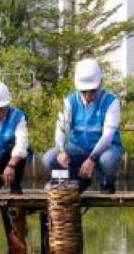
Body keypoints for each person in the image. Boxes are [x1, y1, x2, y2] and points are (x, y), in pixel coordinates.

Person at [43, 59, 125, 193]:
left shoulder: (112, 102)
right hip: (79, 148)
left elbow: (107, 136)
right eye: (84, 91)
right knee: (49, 158)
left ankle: (106, 183)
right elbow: (61, 129)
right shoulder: (69, 102)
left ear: (100, 84)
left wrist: (92, 159)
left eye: (92, 91)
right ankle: (77, 179)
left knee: (108, 160)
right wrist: (62, 150)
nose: (88, 95)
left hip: (106, 149)